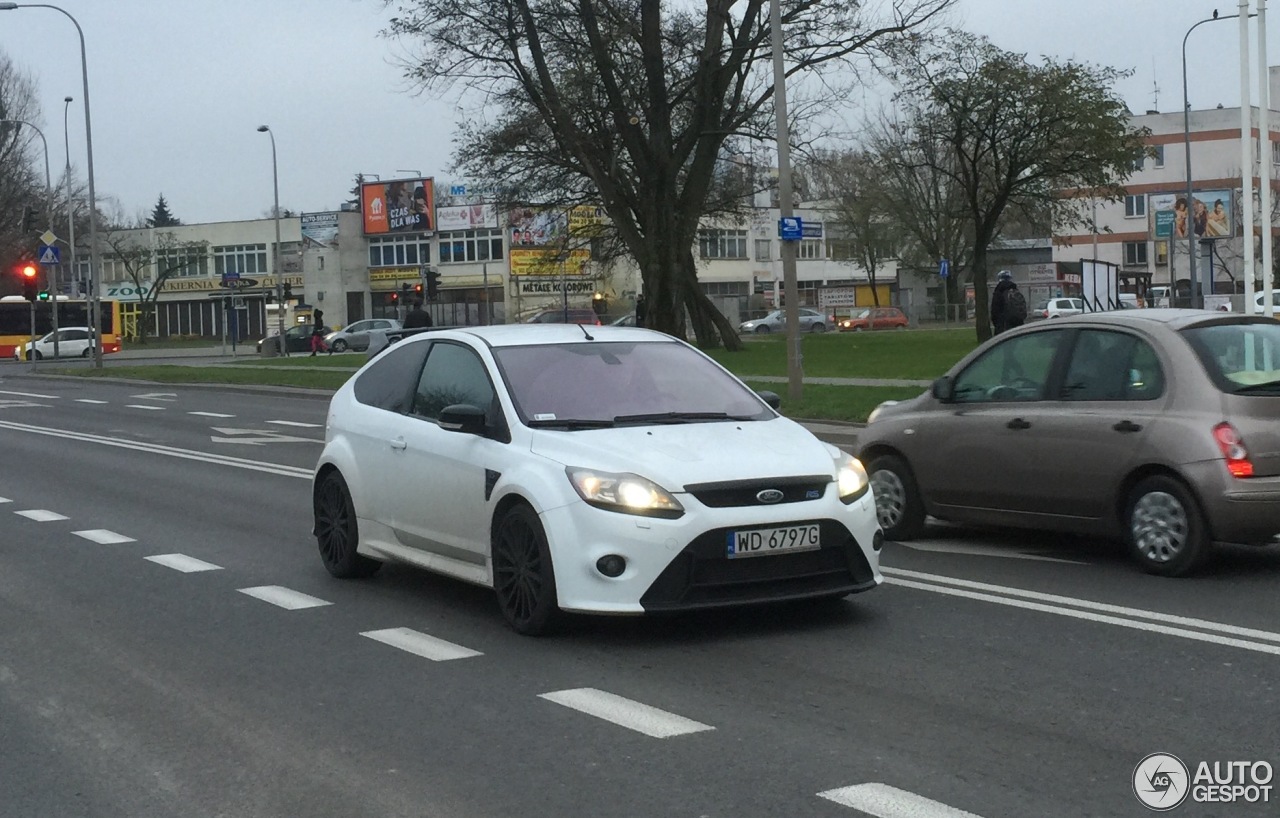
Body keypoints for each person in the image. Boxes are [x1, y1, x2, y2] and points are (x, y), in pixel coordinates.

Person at [990, 270, 1025, 335]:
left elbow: (994, 312)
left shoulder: (998, 292)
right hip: (1017, 325)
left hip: (1003, 325)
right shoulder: (1015, 290)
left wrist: (997, 324)